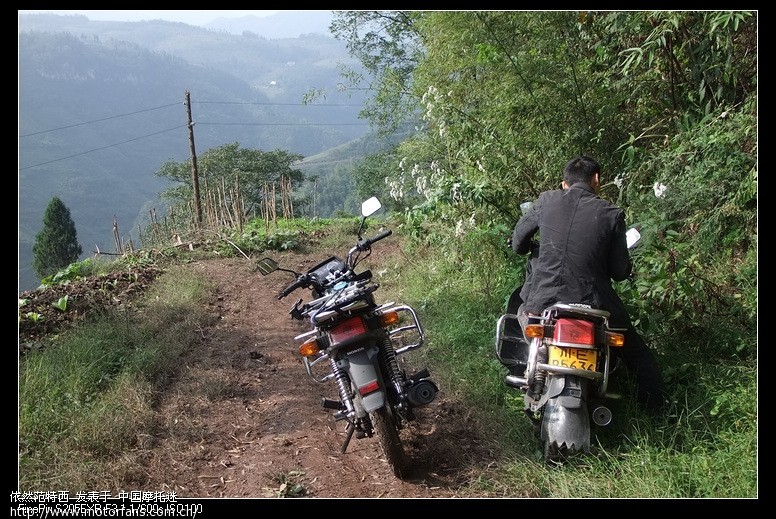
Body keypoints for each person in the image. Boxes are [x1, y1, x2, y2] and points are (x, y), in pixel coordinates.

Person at [511, 155, 668, 413]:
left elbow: (518, 245)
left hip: (543, 303)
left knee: (521, 315)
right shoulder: (611, 213)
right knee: (638, 355)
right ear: (597, 179)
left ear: (564, 184)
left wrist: (531, 246)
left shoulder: (546, 201)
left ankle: (524, 367)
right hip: (595, 304)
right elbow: (619, 272)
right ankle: (658, 414)